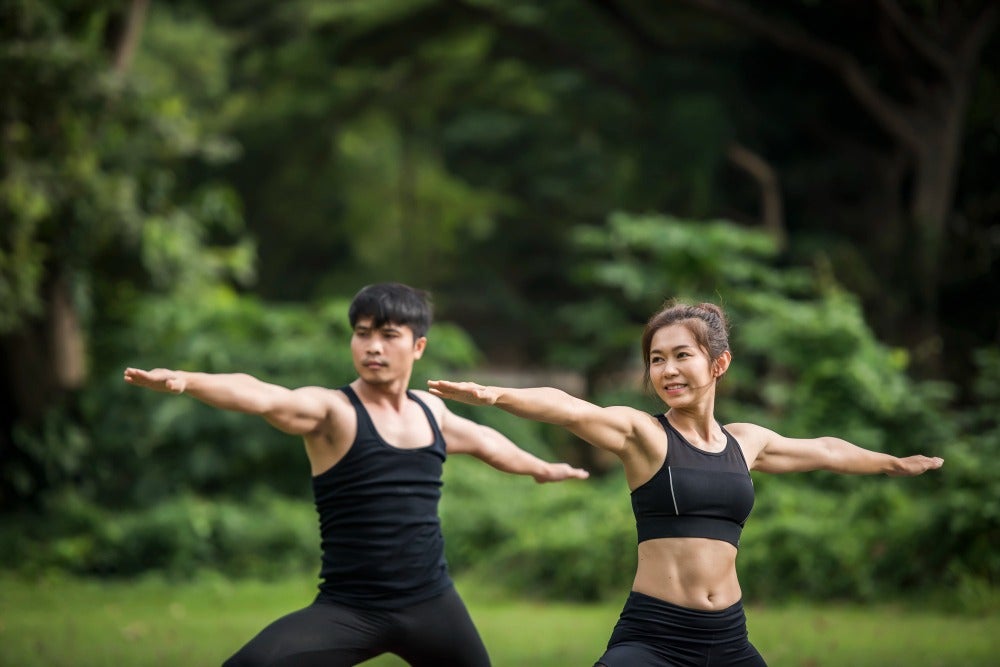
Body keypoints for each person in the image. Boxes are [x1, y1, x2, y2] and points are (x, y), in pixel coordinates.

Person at [428, 299, 944, 667]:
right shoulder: (645, 437)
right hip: (654, 638)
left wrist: (893, 464)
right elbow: (569, 408)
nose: (667, 370)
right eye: (656, 359)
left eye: (681, 356)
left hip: (730, 639)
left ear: (718, 364)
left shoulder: (746, 442)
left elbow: (827, 450)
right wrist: (495, 395)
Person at [123, 282, 589, 667]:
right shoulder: (333, 411)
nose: (372, 346)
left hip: (432, 603)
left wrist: (540, 468)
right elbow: (264, 395)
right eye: (362, 333)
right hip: (350, 608)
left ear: (418, 346)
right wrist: (188, 380)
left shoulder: (431, 411)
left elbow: (486, 443)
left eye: (388, 335)